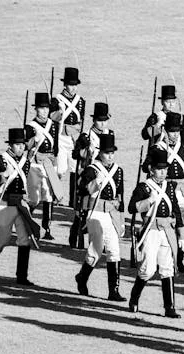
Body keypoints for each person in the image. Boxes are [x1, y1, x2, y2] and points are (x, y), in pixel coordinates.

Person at [127, 147, 184, 319]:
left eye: (165, 169)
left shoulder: (170, 187)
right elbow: (131, 208)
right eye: (159, 169)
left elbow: (175, 210)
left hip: (167, 230)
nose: (163, 172)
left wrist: (182, 234)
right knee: (148, 269)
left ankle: (170, 307)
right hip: (151, 230)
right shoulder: (144, 187)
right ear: (151, 169)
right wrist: (148, 201)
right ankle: (134, 298)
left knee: (168, 268)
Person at [0, 128, 39, 285]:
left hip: (20, 204)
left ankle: (21, 277)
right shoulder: (1, 160)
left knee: (24, 239)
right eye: (18, 145)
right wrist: (4, 175)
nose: (21, 147)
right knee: (2, 239)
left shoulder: (26, 162)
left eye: (23, 145)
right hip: (5, 203)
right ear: (11, 145)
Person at [74, 134, 126, 301]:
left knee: (114, 251)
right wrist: (96, 182)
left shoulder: (118, 170)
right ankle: (82, 277)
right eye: (106, 153)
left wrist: (121, 219)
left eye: (112, 153)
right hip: (95, 212)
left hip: (111, 214)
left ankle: (114, 291)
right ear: (100, 153)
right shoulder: (92, 170)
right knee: (96, 250)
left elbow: (120, 195)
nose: (110, 156)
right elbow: (81, 189)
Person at [144, 112, 184, 273]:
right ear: (165, 131)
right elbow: (146, 167)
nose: (175, 134)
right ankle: (162, 258)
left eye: (177, 131)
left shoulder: (182, 145)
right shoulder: (158, 147)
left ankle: (179, 259)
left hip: (181, 187)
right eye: (172, 131)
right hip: (164, 187)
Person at [69, 102, 113, 249]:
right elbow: (75, 154)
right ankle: (76, 237)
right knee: (83, 208)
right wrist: (86, 151)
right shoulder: (85, 136)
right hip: (88, 174)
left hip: (104, 174)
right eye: (100, 120)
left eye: (105, 120)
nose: (103, 123)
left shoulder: (110, 134)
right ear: (94, 120)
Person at [25, 92, 62, 240]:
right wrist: (33, 140)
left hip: (49, 163)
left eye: (47, 108)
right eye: (42, 108)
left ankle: (47, 227)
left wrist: (55, 166)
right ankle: (26, 222)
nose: (45, 111)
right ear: (36, 109)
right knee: (34, 197)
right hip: (35, 164)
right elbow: (26, 146)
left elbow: (55, 147)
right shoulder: (30, 127)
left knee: (48, 196)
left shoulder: (54, 125)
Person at [51, 67, 86, 207]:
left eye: (75, 85)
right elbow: (52, 119)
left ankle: (74, 200)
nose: (73, 88)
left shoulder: (80, 101)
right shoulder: (56, 100)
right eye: (71, 85)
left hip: (74, 139)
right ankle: (56, 196)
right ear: (65, 84)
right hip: (60, 138)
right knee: (60, 169)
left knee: (75, 169)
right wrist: (59, 112)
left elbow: (80, 120)